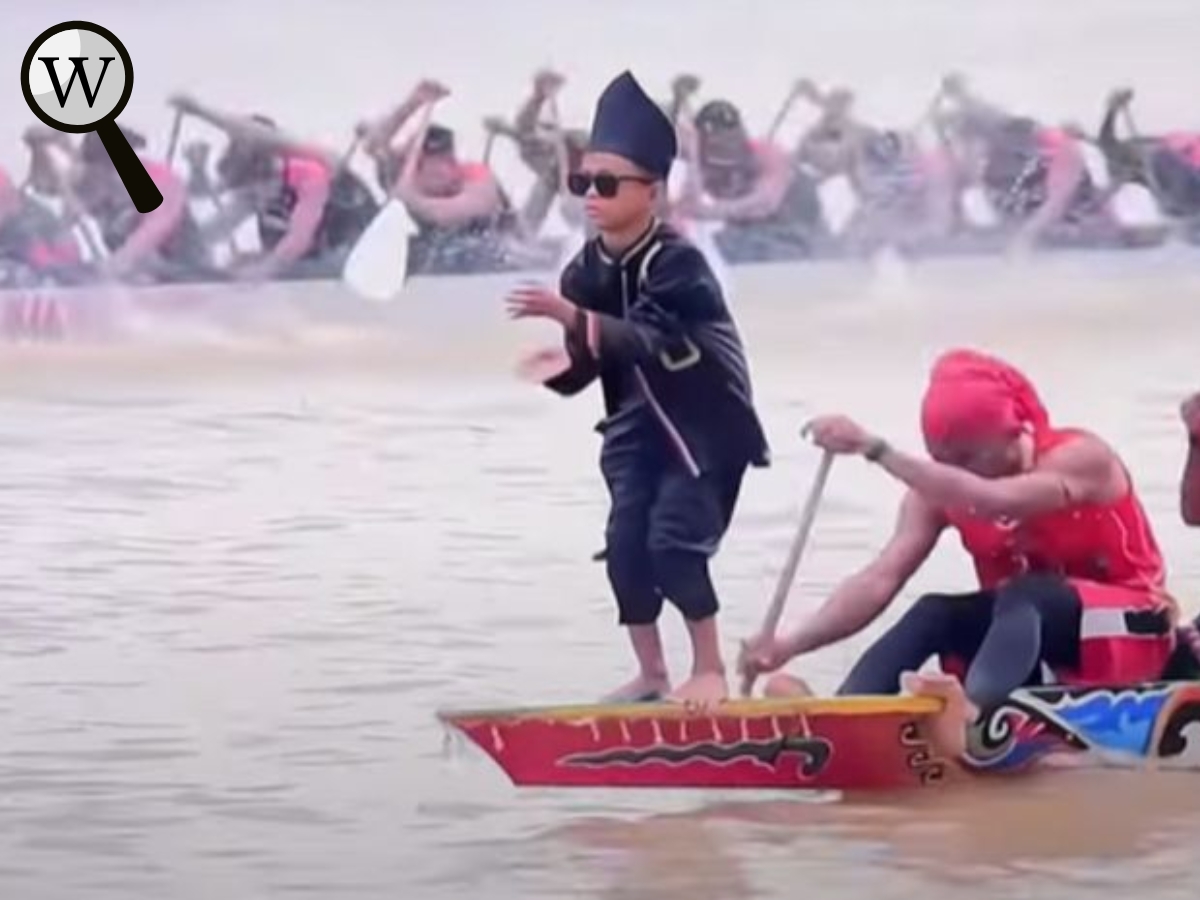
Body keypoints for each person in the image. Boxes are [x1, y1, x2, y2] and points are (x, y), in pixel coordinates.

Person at [739, 348, 1176, 754]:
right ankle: (847, 714)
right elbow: (880, 579)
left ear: (1012, 433)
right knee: (936, 611)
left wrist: (875, 450)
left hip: (1132, 628)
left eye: (968, 457)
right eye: (942, 459)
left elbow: (995, 500)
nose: (953, 472)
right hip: (1031, 632)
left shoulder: (1080, 458)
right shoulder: (939, 491)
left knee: (1028, 593)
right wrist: (788, 644)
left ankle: (974, 718)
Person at [505, 70, 770, 711]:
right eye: (581, 183)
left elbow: (648, 339)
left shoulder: (678, 262)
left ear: (651, 192)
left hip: (704, 426)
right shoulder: (583, 269)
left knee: (673, 543)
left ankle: (708, 669)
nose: (589, 196)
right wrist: (560, 366)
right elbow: (592, 358)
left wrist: (571, 319)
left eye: (605, 183)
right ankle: (652, 674)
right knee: (626, 546)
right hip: (633, 426)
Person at [168, 93, 379, 281]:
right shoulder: (252, 186)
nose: (257, 195)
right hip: (314, 263)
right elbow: (212, 231)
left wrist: (200, 111)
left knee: (268, 266)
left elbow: (298, 240)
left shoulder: (315, 166)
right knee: (241, 262)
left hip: (356, 258)